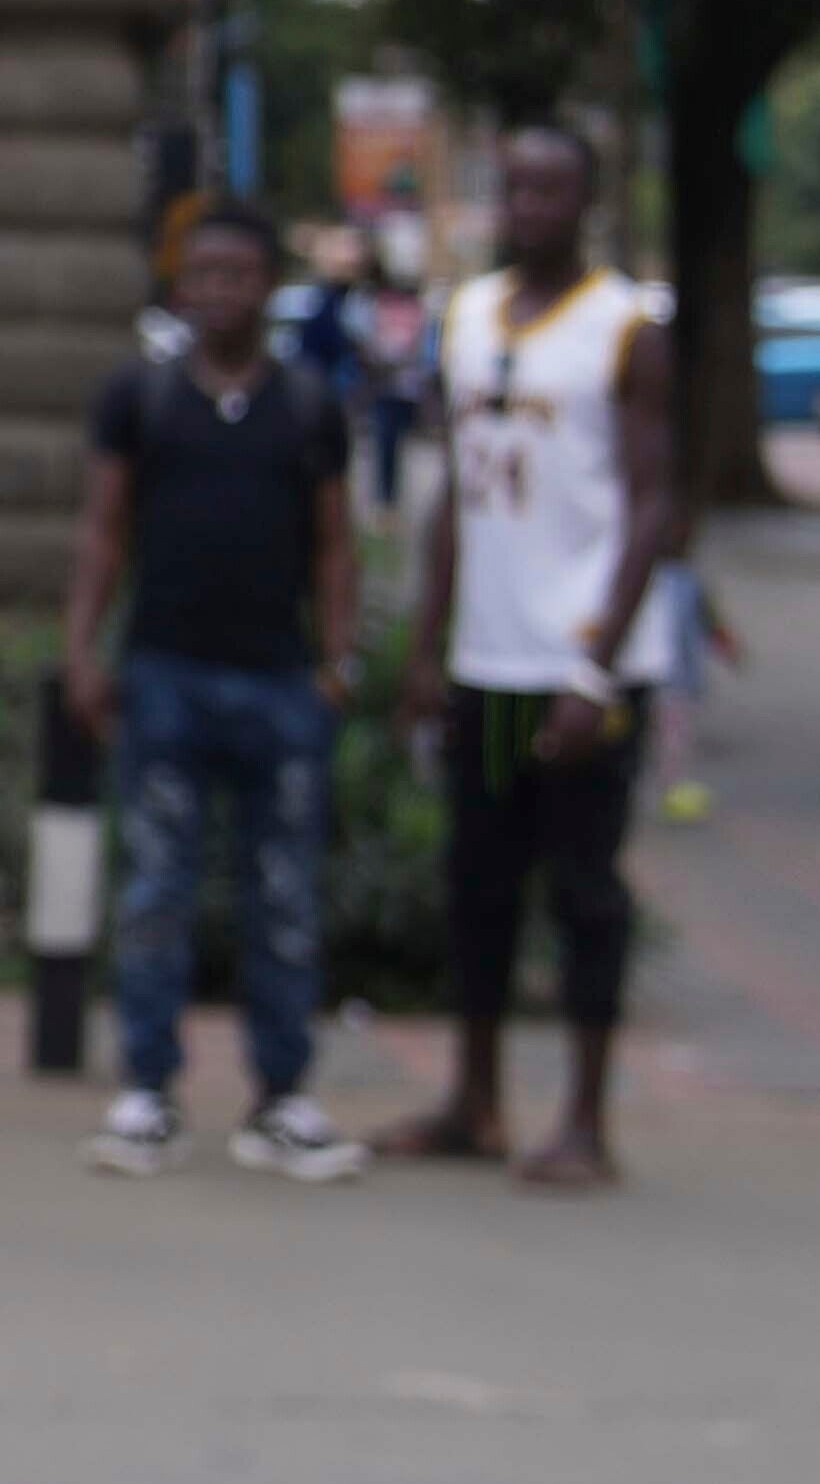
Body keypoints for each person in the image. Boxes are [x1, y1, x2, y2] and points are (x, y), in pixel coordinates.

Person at [61, 195, 362, 1178]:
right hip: (165, 672)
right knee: (156, 886)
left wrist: (338, 658)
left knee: (280, 893)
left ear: (267, 285)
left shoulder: (308, 406)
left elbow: (333, 542)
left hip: (276, 678)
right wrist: (83, 648)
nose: (217, 290)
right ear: (178, 284)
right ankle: (147, 1084)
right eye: (201, 273)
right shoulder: (138, 399)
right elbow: (105, 530)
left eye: (237, 273)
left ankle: (280, 1091)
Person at [406, 122, 675, 1191]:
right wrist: (423, 643)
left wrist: (596, 667)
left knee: (582, 890)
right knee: (476, 880)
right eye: (514, 187)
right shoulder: (465, 316)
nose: (529, 206)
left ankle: (585, 1118)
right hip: (487, 660)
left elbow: (655, 505)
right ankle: (472, 1099)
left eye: (551, 188)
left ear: (586, 201)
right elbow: (454, 495)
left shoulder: (625, 328)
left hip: (575, 669)